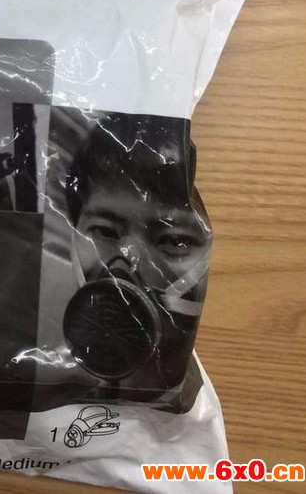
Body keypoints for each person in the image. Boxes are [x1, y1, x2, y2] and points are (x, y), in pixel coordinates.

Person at [63, 113, 212, 399]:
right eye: (105, 232)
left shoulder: (204, 405)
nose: (128, 263)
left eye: (174, 240)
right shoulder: (47, 400)